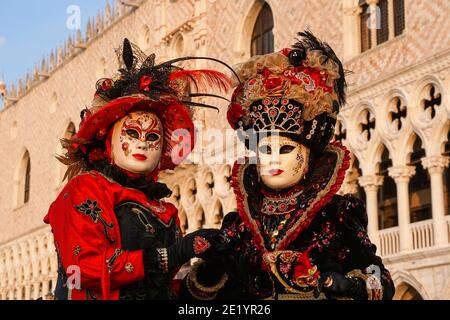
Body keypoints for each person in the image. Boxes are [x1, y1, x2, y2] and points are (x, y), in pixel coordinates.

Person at [181, 31, 395, 300]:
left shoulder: (337, 215)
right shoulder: (240, 225)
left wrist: (350, 285)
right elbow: (202, 297)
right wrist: (210, 270)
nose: (272, 158)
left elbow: (382, 280)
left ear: (308, 157)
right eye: (264, 150)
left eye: (285, 149)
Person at [44, 39, 232, 300]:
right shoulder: (86, 189)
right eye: (132, 133)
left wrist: (209, 270)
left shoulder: (164, 209)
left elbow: (167, 286)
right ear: (108, 140)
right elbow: (84, 267)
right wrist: (172, 254)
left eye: (153, 137)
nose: (143, 142)